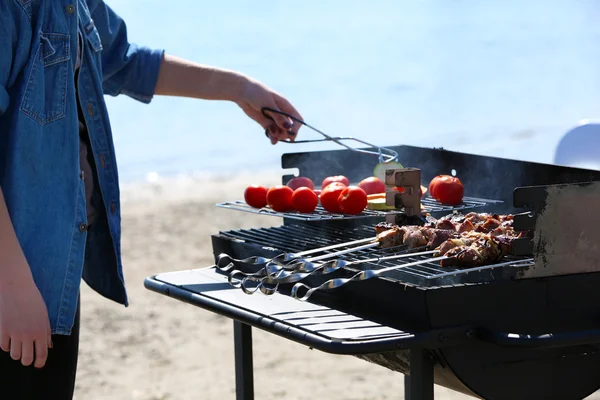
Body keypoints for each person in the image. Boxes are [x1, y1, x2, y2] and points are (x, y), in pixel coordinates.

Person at [0, 1, 302, 398]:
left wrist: (240, 89)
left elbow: (123, 61)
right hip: (13, 278)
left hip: (48, 270)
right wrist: (13, 286)